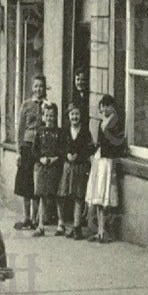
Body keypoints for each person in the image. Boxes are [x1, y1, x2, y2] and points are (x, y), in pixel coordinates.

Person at [85, 94, 127, 243]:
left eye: (107, 106)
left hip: (109, 161)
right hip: (100, 160)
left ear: (112, 107)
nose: (104, 109)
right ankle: (100, 229)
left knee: (106, 195)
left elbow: (118, 142)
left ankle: (106, 230)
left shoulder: (116, 123)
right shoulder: (101, 123)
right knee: (98, 194)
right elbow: (99, 142)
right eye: (102, 106)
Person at [13, 74, 47, 230]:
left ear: (44, 88)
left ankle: (35, 218)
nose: (38, 89)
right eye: (36, 86)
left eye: (41, 86)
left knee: (37, 183)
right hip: (27, 146)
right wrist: (18, 151)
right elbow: (20, 129)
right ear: (32, 88)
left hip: (41, 148)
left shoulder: (48, 105)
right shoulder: (26, 105)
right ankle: (26, 217)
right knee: (25, 182)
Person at [59, 102, 95, 239]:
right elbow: (60, 147)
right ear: (68, 116)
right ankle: (68, 225)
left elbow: (90, 148)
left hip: (80, 167)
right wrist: (66, 154)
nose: (75, 117)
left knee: (79, 196)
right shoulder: (65, 131)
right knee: (67, 195)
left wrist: (79, 156)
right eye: (72, 114)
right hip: (68, 167)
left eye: (77, 114)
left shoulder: (85, 132)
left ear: (81, 116)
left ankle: (77, 227)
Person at [32, 102, 64, 236]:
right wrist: (41, 159)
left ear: (56, 117)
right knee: (42, 196)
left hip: (55, 166)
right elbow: (35, 150)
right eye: (47, 115)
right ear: (43, 117)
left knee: (58, 196)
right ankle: (40, 225)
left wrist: (55, 158)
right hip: (42, 166)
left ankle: (61, 223)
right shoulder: (40, 132)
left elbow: (63, 150)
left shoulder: (60, 132)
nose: (50, 118)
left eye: (52, 116)